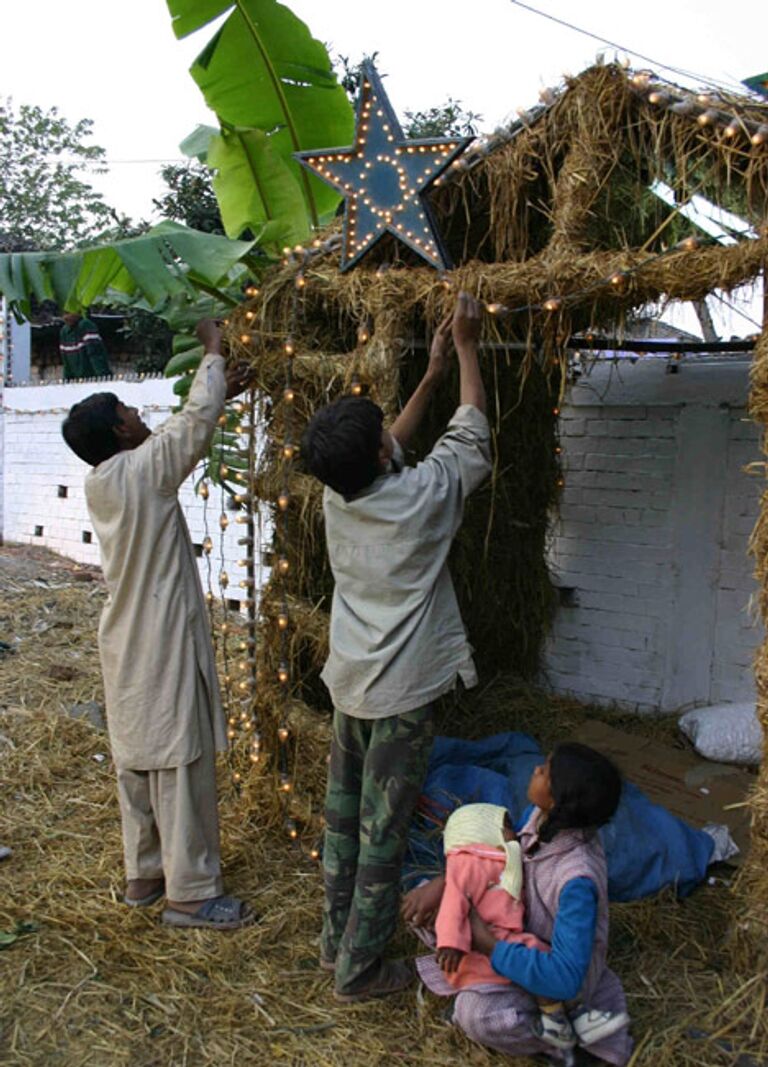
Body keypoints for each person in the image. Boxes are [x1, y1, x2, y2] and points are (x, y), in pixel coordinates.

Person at [301, 292, 492, 1002]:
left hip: (350, 680)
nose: (392, 436)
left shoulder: (336, 492)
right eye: (383, 434)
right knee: (384, 832)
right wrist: (468, 347)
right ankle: (359, 972)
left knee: (344, 818)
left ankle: (332, 945)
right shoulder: (423, 498)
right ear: (379, 453)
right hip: (402, 693)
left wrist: (431, 373)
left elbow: (387, 444)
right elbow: (471, 439)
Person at [61, 319, 254, 929]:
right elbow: (188, 429)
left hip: (125, 639)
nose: (140, 413)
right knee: (178, 757)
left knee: (137, 759)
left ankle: (144, 874)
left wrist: (225, 385)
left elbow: (183, 428)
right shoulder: (142, 471)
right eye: (129, 409)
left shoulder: (108, 478)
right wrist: (214, 350)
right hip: (158, 638)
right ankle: (191, 894)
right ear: (120, 429)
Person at [402, 743, 633, 1065]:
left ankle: (566, 1040)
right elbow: (503, 857)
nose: (536, 770)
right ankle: (480, 969)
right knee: (425, 907)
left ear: (559, 799)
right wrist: (445, 884)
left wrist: (487, 943)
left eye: (546, 772)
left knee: (477, 1016)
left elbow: (565, 978)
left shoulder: (576, 882)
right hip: (512, 925)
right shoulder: (541, 818)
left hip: (546, 968)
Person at [60, 311, 112, 380]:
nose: (65, 317)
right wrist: (66, 382)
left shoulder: (86, 325)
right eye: (63, 314)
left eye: (68, 313)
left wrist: (103, 377)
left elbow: (95, 354)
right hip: (77, 382)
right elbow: (66, 363)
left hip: (93, 378)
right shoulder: (64, 332)